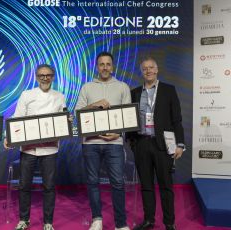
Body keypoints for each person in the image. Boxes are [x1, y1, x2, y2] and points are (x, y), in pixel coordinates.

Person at [3, 64, 66, 230]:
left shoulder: (60, 96)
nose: (45, 78)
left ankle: (48, 223)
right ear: (36, 77)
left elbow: (62, 120)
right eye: (41, 75)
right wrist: (8, 136)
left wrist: (66, 122)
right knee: (24, 185)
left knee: (49, 186)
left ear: (53, 77)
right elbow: (17, 118)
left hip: (50, 149)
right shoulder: (26, 95)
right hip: (28, 148)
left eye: (48, 75)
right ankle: (24, 220)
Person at [75, 52, 131, 230]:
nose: (105, 67)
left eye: (108, 64)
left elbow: (128, 116)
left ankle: (120, 224)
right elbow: (78, 113)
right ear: (97, 67)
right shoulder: (87, 87)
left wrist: (119, 134)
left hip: (114, 143)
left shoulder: (123, 87)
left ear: (113, 67)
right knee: (92, 181)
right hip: (90, 142)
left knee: (118, 183)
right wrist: (94, 104)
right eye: (101, 64)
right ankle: (97, 219)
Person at [129, 57, 185, 230]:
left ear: (157, 69)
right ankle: (149, 221)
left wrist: (180, 144)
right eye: (145, 68)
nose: (148, 71)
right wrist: (133, 142)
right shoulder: (135, 92)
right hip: (142, 144)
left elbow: (177, 120)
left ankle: (169, 223)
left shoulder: (169, 90)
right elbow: (129, 119)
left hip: (163, 145)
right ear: (142, 71)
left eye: (151, 67)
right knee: (146, 186)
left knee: (166, 186)